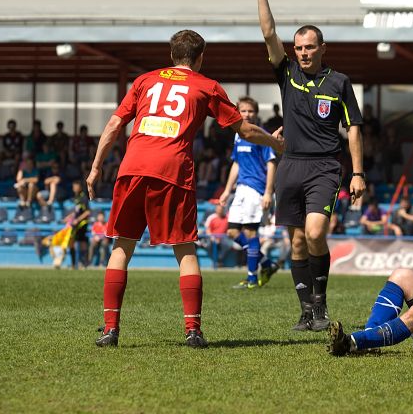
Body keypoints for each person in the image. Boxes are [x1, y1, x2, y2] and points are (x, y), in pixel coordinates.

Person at [86, 29, 283, 348]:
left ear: (171, 55)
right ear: (201, 57)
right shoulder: (206, 86)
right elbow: (243, 129)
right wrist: (274, 141)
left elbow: (113, 125)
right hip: (172, 170)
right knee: (185, 249)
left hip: (133, 167)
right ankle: (193, 331)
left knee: (122, 246)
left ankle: (111, 329)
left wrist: (95, 168)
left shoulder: (144, 81)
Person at [252, 0, 365, 332]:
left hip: (325, 167)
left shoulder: (339, 82)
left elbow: (353, 129)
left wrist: (359, 172)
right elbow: (269, 32)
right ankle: (306, 311)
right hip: (290, 166)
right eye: (298, 47)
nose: (302, 53)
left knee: (316, 233)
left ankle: (321, 305)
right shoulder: (286, 73)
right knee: (297, 242)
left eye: (308, 47)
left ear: (322, 48)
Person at [218, 96, 280, 289]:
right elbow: (236, 163)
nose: (247, 114)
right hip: (241, 190)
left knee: (251, 233)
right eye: (243, 111)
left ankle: (252, 279)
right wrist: (227, 190)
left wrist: (269, 192)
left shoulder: (261, 136)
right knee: (232, 231)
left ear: (256, 113)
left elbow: (271, 164)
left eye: (250, 111)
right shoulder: (239, 135)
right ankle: (267, 264)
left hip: (256, 189)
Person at [67, 179, 91, 270]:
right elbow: (77, 211)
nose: (74, 188)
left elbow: (87, 212)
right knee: (72, 242)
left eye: (76, 186)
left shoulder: (84, 198)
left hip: (82, 224)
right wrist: (69, 217)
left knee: (81, 243)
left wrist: (77, 220)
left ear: (80, 187)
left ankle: (83, 263)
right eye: (73, 186)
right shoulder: (77, 198)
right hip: (75, 224)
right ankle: (74, 264)